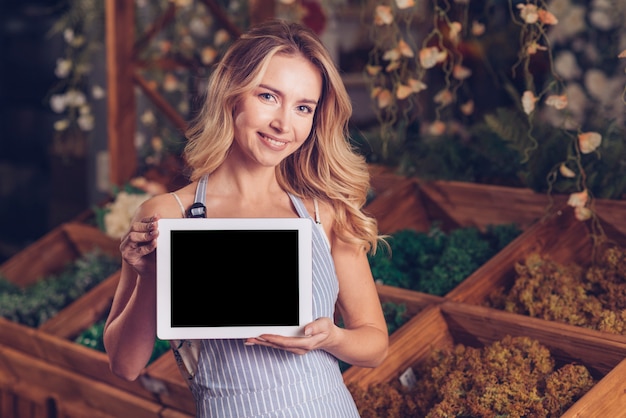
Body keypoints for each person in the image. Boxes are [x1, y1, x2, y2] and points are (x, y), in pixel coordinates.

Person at [103, 19, 388, 417]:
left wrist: (330, 337)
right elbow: (125, 365)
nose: (283, 124)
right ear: (232, 94)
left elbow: (374, 344)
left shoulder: (325, 212)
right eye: (269, 96)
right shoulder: (168, 214)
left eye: (303, 107)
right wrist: (153, 273)